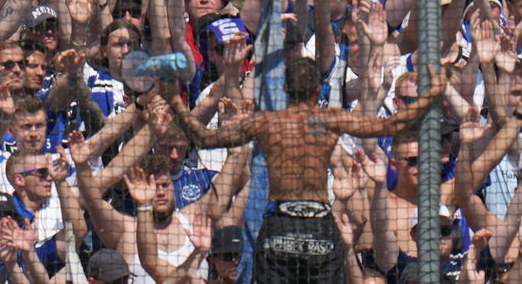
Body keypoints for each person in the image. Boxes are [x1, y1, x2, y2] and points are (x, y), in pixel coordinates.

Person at [167, 57, 446, 284]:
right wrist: (432, 94)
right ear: (317, 91)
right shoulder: (329, 119)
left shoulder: (268, 122)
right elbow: (391, 126)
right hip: (319, 225)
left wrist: (176, 101)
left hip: (280, 223)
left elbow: (205, 138)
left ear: (286, 90)